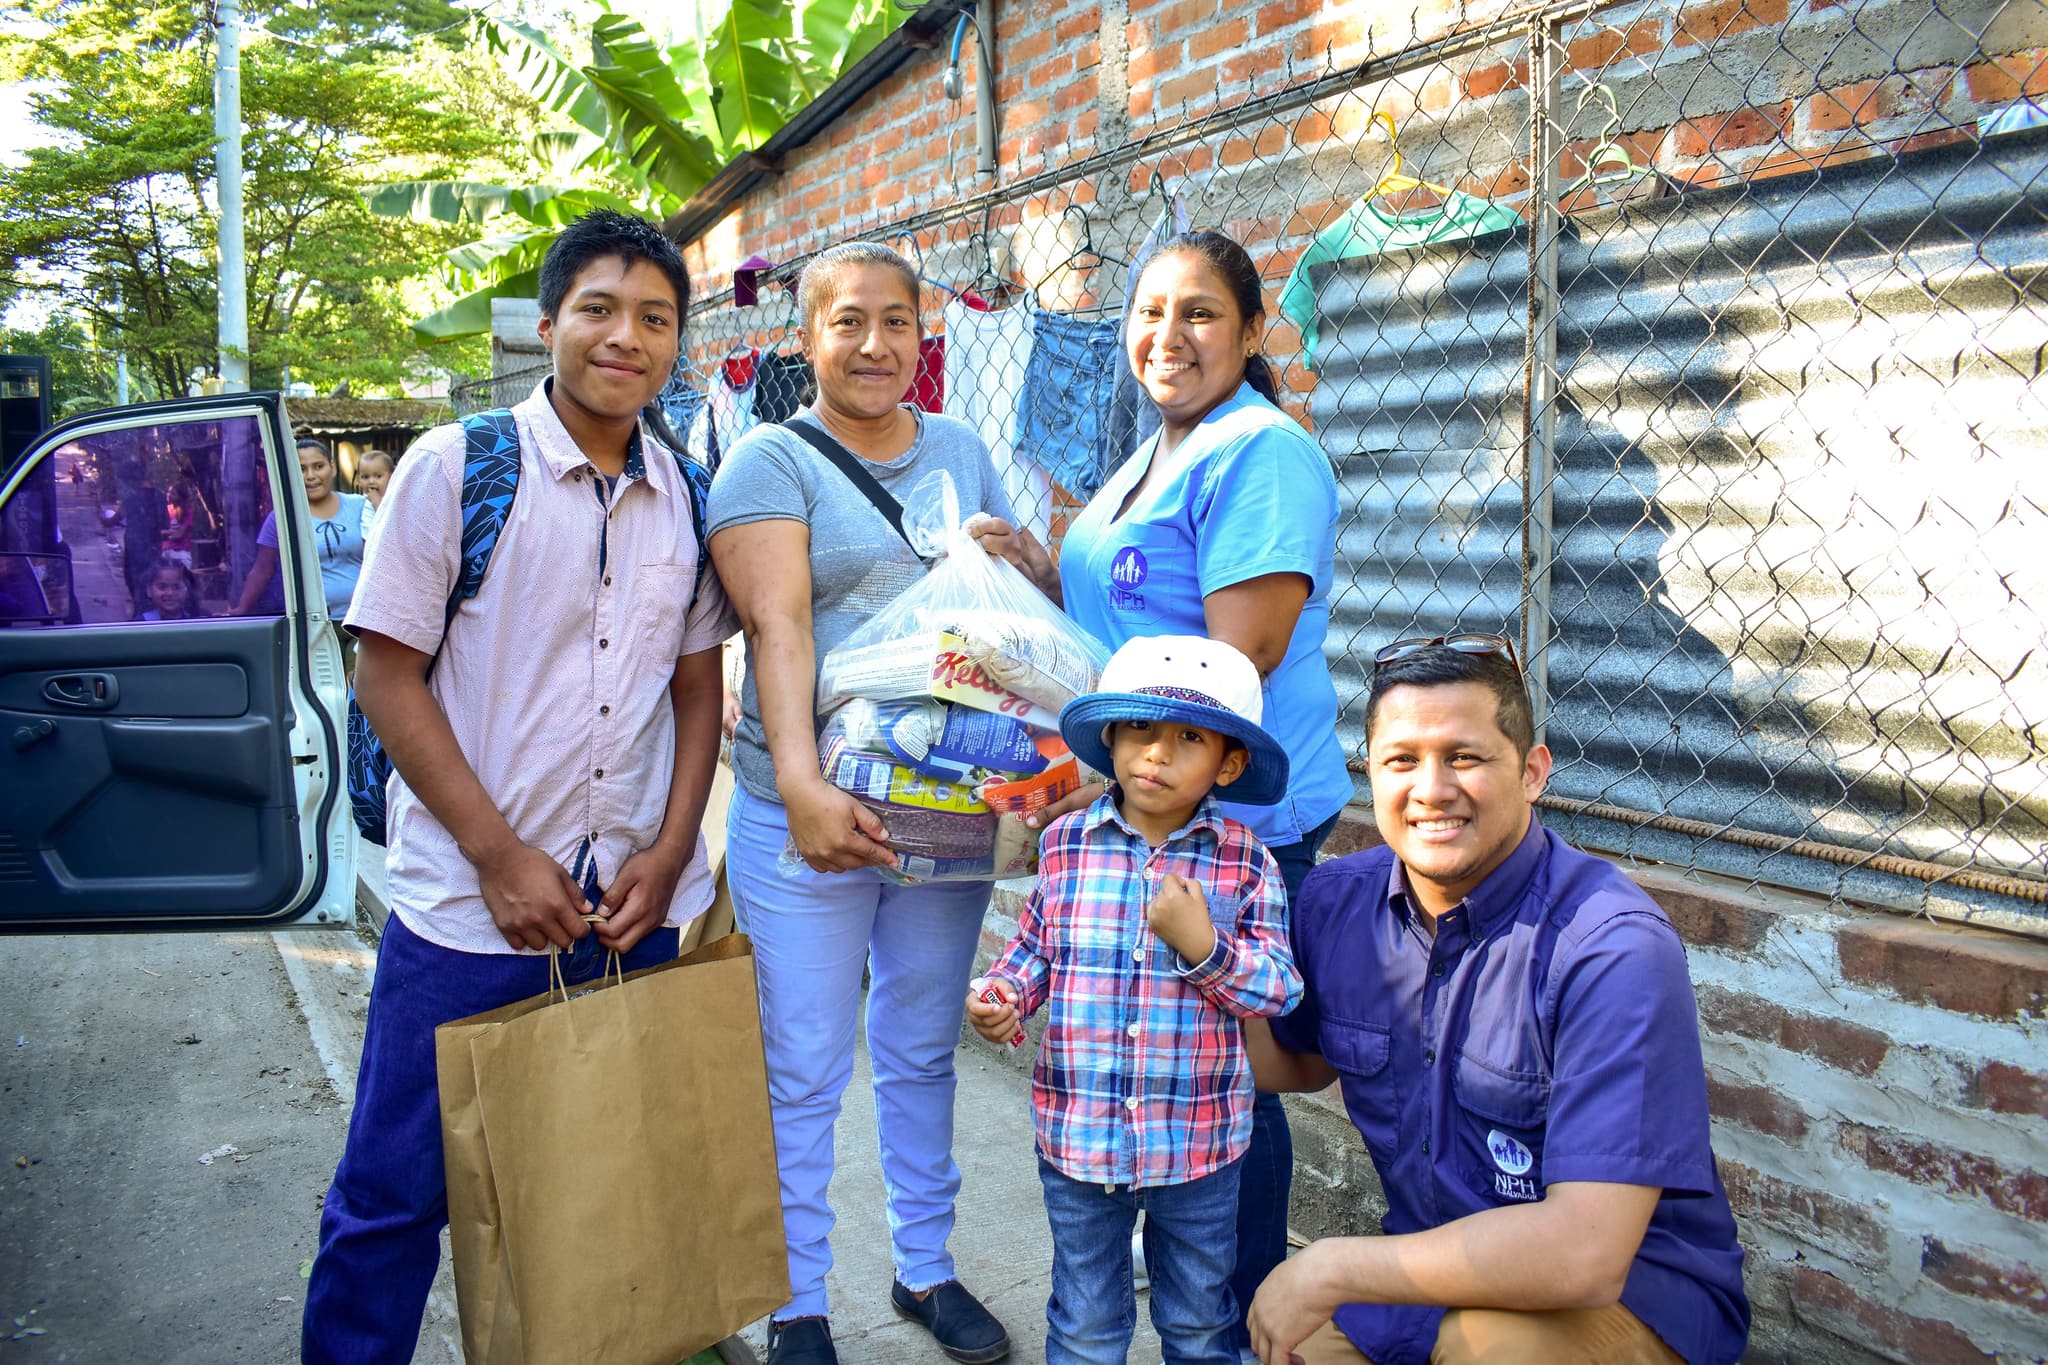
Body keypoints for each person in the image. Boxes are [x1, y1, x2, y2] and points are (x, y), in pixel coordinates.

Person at [301, 209, 733, 1363]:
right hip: (466, 916)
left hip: (626, 917)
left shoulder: (689, 492)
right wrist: (500, 858)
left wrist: (670, 847)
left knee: (601, 1199)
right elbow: (386, 675)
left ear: (675, 342)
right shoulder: (459, 468)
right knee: (395, 1200)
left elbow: (697, 692)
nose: (624, 337)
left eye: (654, 317)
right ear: (548, 325)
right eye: (598, 308)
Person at [973, 228, 1350, 1356]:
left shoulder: (1260, 453)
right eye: (1148, 311)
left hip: (1227, 808)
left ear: (1247, 332)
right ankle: (1191, 1266)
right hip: (1143, 794)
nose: (1166, 335)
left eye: (1197, 312)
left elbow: (1235, 668)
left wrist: (1082, 771)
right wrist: (1042, 574)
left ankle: (1235, 1314)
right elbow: (1136, 614)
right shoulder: (1158, 447)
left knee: (1232, 1055)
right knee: (1159, 1038)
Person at [1242, 634, 1751, 1365]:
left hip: (1626, 1294)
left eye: (1465, 757)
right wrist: (1185, 957)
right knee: (1292, 1345)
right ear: (1370, 776)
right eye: (1402, 760)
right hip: (1434, 1277)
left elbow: (1585, 1252)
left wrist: (1331, 1265)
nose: (1432, 788)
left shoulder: (1610, 946)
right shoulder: (1337, 902)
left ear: (1533, 770)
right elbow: (1293, 1063)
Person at [707, 240, 1017, 1365]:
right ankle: (796, 1301)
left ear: (923, 332)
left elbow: (998, 618)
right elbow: (777, 628)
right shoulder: (766, 462)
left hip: (938, 810)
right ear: (808, 337)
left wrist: (1018, 555)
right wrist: (798, 788)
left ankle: (924, 1268)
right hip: (808, 811)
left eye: (896, 321)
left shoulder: (963, 450)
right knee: (800, 1061)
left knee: (921, 1044)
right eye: (848, 322)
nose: (875, 344)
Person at [968, 635, 1302, 1365]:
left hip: (1199, 1146)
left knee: (1200, 1325)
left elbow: (1278, 984)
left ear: (1230, 762)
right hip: (1080, 1138)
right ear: (1112, 737)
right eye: (1141, 730)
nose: (1157, 753)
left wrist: (1204, 945)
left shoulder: (1244, 860)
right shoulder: (1066, 845)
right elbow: (1035, 951)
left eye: (1189, 738)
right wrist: (1004, 996)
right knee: (1086, 1324)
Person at [231, 438, 368, 622]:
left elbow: (383, 559)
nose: (310, 476)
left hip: (361, 620)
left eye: (318, 466)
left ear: (333, 468)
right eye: (301, 469)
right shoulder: (282, 517)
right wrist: (242, 609)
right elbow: (263, 568)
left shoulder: (361, 506)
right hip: (312, 624)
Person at [133, 556, 202, 621]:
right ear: (149, 591)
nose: (170, 593)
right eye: (162, 587)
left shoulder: (199, 620)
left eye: (177, 587)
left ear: (188, 590)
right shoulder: (140, 624)